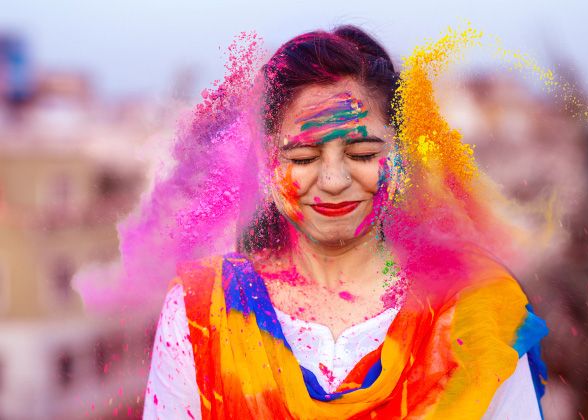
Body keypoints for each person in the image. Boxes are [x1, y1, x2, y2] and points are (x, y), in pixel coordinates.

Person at [143, 25, 548, 419]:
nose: (334, 181)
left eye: (362, 153)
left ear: (399, 156)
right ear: (267, 162)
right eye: (303, 159)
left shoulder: (476, 309)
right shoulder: (201, 314)